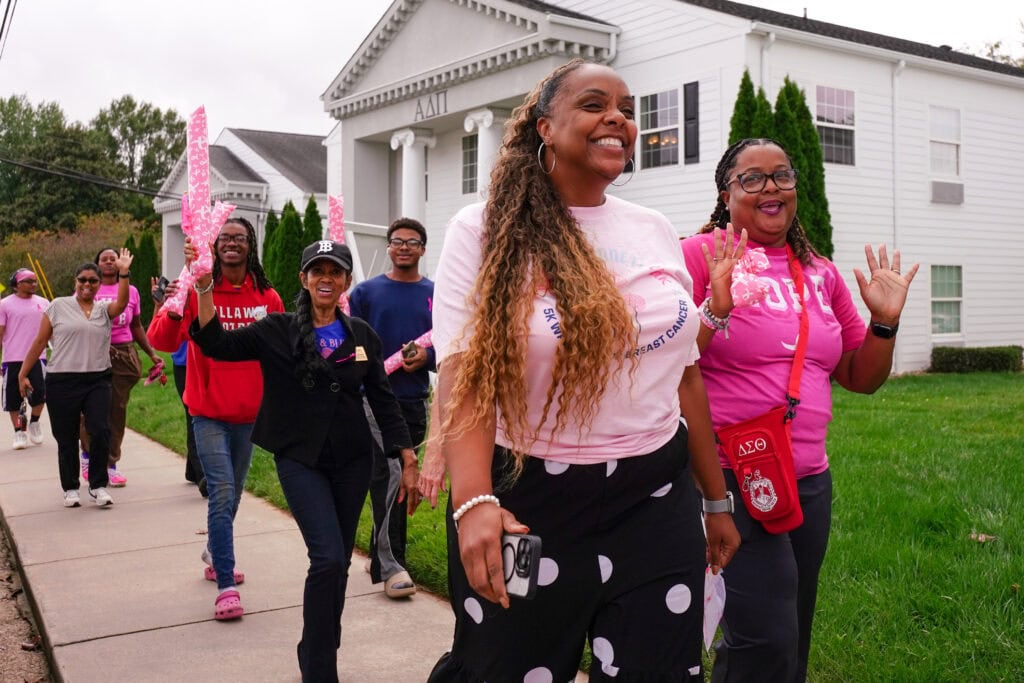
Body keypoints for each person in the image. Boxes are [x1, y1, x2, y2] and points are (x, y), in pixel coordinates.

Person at [427, 59, 740, 682]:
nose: (618, 118)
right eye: (595, 104)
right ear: (545, 125)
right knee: (506, 669)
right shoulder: (484, 229)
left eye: (626, 108)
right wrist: (473, 503)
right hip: (527, 498)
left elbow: (682, 372)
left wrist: (714, 500)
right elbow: (464, 376)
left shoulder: (653, 229)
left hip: (654, 497)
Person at [680, 137, 919, 682]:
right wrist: (714, 308)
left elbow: (861, 377)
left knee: (793, 630)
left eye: (782, 175)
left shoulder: (820, 272)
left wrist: (884, 323)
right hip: (732, 474)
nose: (771, 186)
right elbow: (669, 359)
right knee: (763, 637)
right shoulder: (700, 254)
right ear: (726, 193)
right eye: (753, 177)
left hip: (809, 478)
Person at [188, 238, 416, 681]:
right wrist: (202, 292)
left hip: (352, 463)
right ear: (304, 279)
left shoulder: (362, 337)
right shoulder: (276, 329)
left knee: (340, 563)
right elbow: (217, 344)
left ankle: (317, 645)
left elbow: (385, 403)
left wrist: (406, 457)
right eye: (318, 271)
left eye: (335, 271)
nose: (326, 279)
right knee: (328, 558)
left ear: (347, 281)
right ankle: (319, 668)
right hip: (300, 460)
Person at [147, 217, 284, 620]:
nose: (232, 244)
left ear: (250, 246)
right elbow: (160, 340)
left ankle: (214, 549)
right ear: (214, 246)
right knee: (222, 491)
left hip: (249, 414)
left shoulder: (268, 297)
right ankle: (225, 582)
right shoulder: (197, 288)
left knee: (234, 492)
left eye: (240, 238)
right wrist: (177, 300)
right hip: (207, 411)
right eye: (224, 238)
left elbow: (277, 351)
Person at [349, 216, 433, 598]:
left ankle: (384, 554)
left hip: (414, 400)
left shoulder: (436, 293)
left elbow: (449, 346)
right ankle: (391, 564)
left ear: (422, 249)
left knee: (403, 482)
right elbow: (351, 344)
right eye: (397, 241)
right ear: (388, 247)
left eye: (412, 242)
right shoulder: (366, 293)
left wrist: (425, 361)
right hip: (374, 401)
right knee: (390, 478)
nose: (403, 247)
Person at [18, 251, 135, 507]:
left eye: (93, 281)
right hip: (62, 380)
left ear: (98, 285)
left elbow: (123, 304)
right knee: (66, 436)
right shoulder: (58, 305)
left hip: (97, 380)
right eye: (83, 280)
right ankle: (70, 488)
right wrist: (23, 372)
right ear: (75, 281)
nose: (87, 285)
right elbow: (39, 341)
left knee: (101, 431)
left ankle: (97, 486)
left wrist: (123, 272)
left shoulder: (104, 309)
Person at [78, 248, 162, 487]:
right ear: (96, 264)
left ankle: (110, 464)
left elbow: (136, 325)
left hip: (122, 354)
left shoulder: (131, 291)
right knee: (90, 409)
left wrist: (152, 354)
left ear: (120, 264)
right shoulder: (88, 288)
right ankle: (87, 455)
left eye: (112, 258)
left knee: (116, 411)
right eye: (103, 258)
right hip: (92, 353)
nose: (108, 261)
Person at [0, 269, 49, 450]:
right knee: (13, 398)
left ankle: (34, 422)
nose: (34, 284)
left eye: (35, 281)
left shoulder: (44, 303)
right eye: (29, 281)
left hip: (38, 357)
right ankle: (19, 432)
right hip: (13, 358)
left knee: (41, 394)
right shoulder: (4, 305)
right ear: (17, 284)